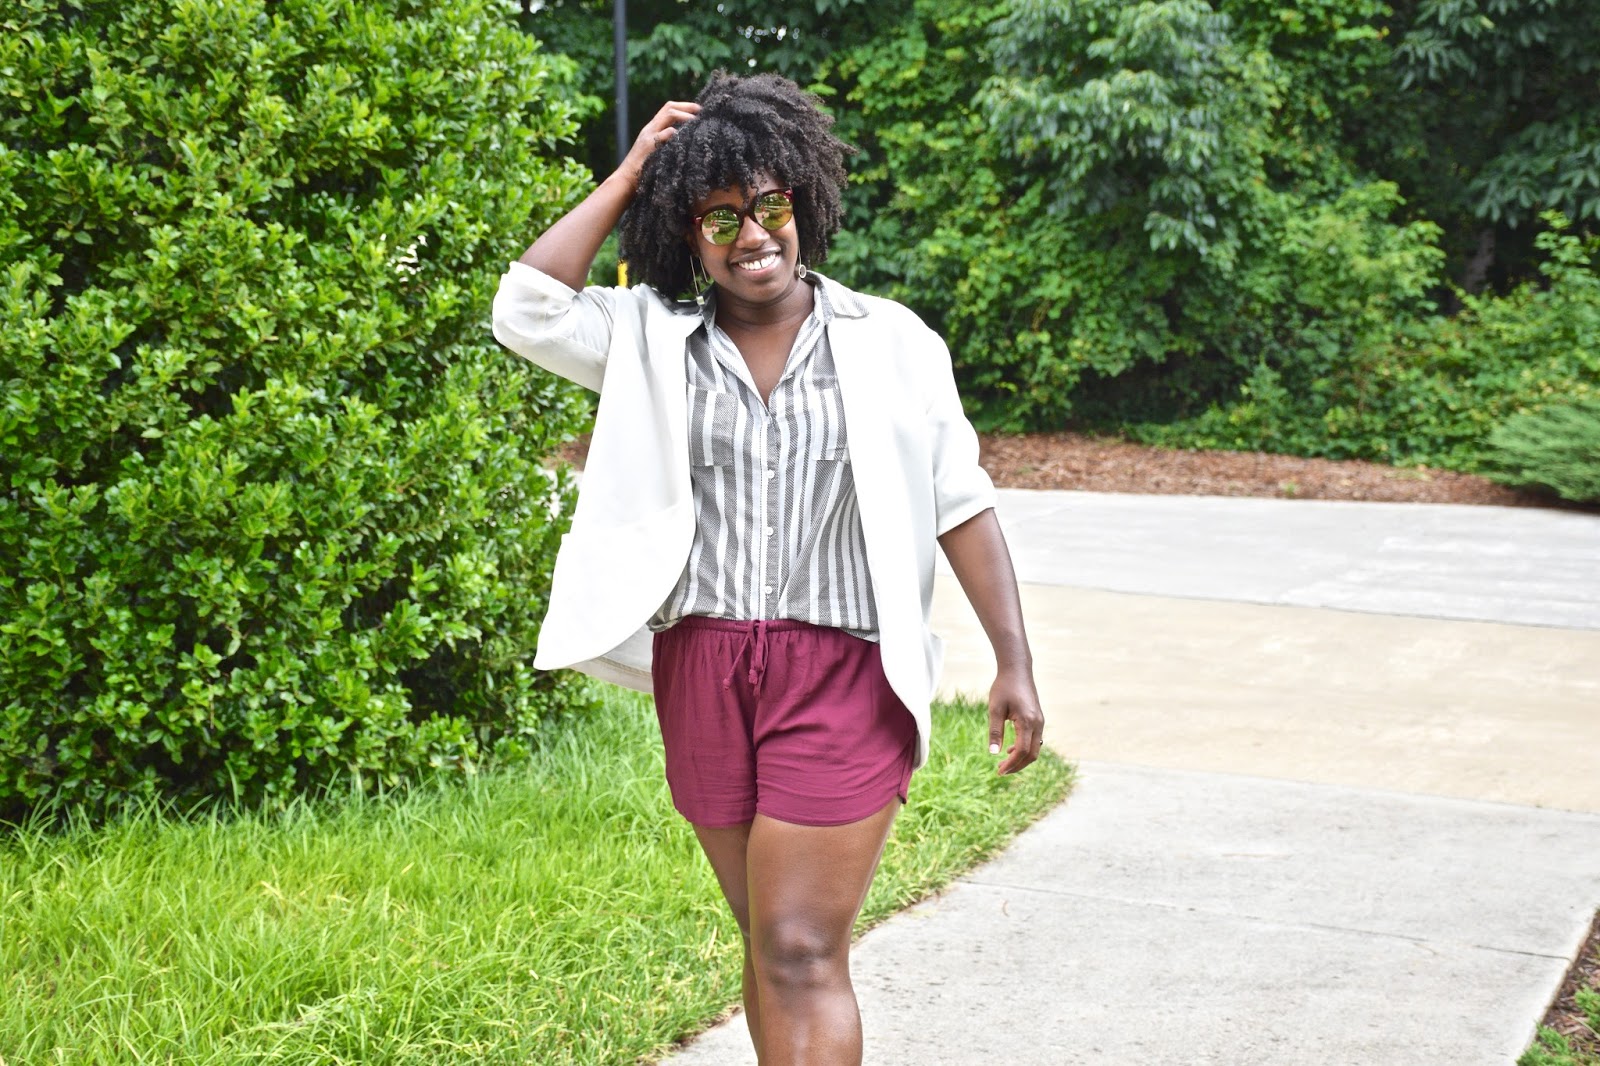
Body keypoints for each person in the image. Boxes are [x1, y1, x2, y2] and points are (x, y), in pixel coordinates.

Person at [492, 72, 1044, 1066]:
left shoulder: (890, 341)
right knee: (766, 938)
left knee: (797, 945)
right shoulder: (650, 339)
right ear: (687, 234)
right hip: (703, 665)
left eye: (769, 207)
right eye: (720, 217)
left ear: (803, 203)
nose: (752, 235)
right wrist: (631, 171)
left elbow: (960, 499)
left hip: (841, 670)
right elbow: (526, 309)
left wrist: (1014, 660)